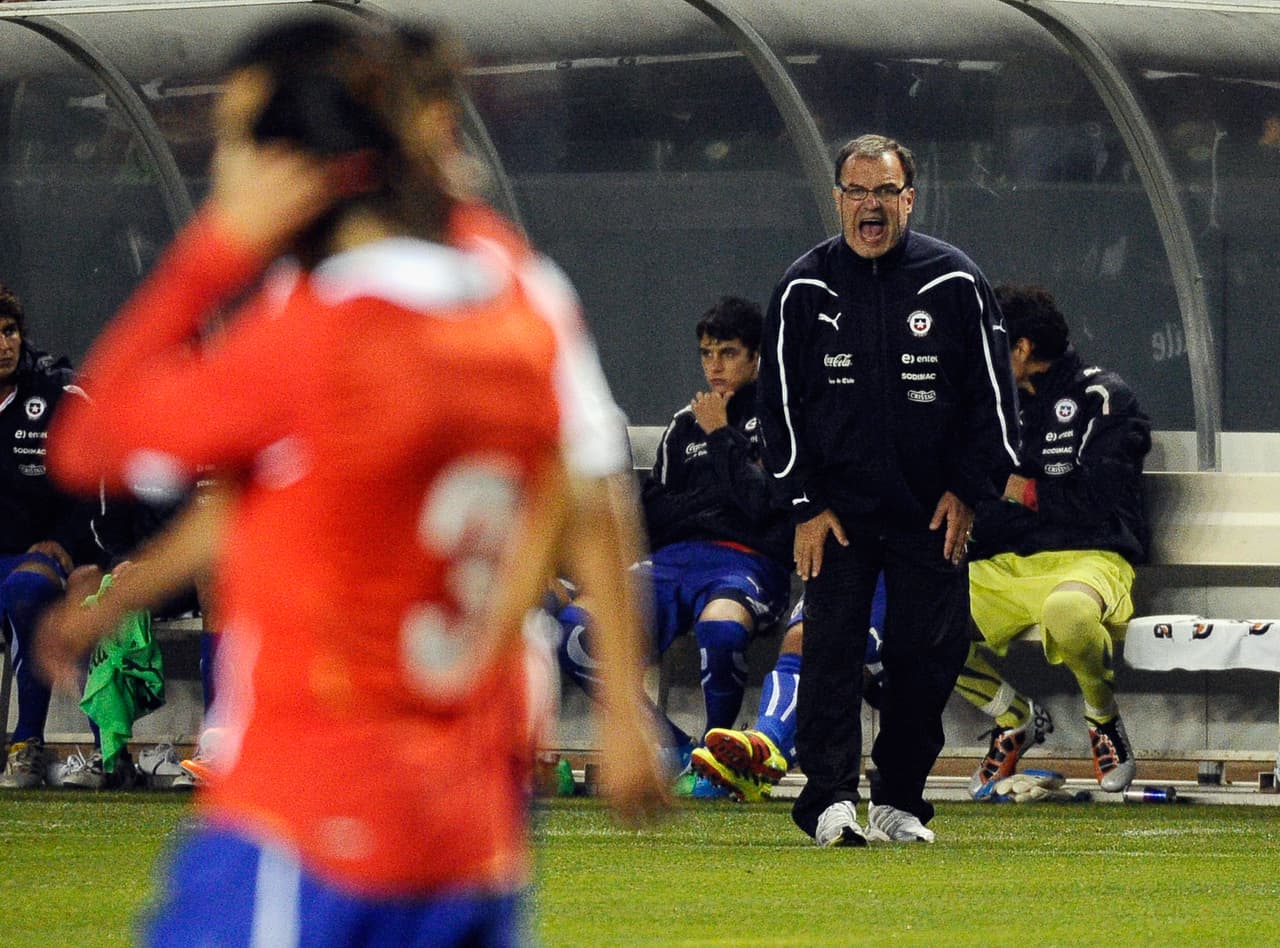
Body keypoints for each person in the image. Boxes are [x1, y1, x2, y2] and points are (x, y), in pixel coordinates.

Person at [40, 18, 665, 945]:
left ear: (300, 166)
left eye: (238, 146)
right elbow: (579, 487)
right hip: (473, 823)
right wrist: (622, 704)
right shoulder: (519, 294)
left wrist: (214, 249)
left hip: (313, 817)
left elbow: (90, 443)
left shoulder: (319, 337)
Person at [756, 133, 1019, 845]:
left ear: (909, 198)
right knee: (830, 652)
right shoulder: (804, 287)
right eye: (856, 191)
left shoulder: (956, 282)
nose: (870, 206)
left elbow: (993, 404)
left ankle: (900, 801)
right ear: (838, 198)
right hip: (834, 516)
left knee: (924, 662)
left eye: (884, 192)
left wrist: (969, 490)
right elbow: (776, 409)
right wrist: (805, 504)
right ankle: (829, 802)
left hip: (930, 514)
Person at [551, 296, 792, 779]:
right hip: (671, 562)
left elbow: (765, 510)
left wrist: (722, 437)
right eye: (707, 354)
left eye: (728, 353)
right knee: (575, 632)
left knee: (721, 627)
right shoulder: (684, 426)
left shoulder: (778, 420)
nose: (715, 366)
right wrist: (717, 501)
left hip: (746, 560)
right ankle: (669, 745)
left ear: (756, 355)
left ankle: (718, 758)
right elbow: (652, 517)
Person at [956, 284, 1151, 798]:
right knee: (914, 614)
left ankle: (1102, 718)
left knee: (1069, 613)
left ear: (1020, 348)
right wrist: (1030, 504)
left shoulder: (1103, 396)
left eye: (992, 340)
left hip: (1091, 559)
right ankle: (1012, 715)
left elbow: (1100, 500)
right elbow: (985, 497)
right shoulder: (994, 407)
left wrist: (1022, 491)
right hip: (1007, 563)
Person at [0, 280, 112, 788]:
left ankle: (26, 742)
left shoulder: (54, 395)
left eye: (10, 331)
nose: (4, 344)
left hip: (33, 556)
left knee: (28, 591)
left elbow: (92, 481)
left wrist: (68, 542)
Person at [690, 577, 886, 802]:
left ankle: (760, 759)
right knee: (804, 636)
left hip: (911, 561)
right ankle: (764, 745)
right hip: (853, 552)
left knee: (852, 650)